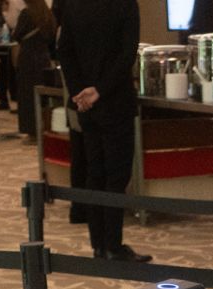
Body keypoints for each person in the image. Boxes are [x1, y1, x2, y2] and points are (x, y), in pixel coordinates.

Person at [57, 0, 150, 261]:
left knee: (94, 173)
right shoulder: (125, 4)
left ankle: (98, 244)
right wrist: (99, 91)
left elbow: (64, 51)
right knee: (116, 177)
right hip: (115, 102)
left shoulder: (73, 6)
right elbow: (126, 55)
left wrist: (80, 93)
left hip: (86, 108)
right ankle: (113, 245)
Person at [12, 0, 57, 139]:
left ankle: (31, 129)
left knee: (28, 95)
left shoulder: (26, 13)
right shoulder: (47, 14)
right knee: (43, 96)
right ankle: (45, 126)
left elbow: (17, 34)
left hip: (28, 58)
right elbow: (52, 35)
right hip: (44, 57)